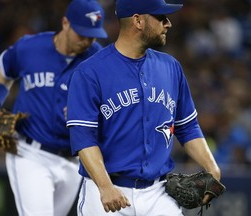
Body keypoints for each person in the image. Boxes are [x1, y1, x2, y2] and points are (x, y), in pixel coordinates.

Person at [66, 0, 222, 215]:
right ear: (138, 20)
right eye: (161, 17)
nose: (168, 23)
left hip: (158, 192)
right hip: (106, 189)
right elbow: (83, 137)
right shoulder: (90, 72)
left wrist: (212, 167)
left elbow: (188, 126)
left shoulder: (171, 67)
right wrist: (105, 186)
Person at [0, 0, 107, 215]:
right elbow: (2, 73)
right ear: (65, 23)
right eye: (82, 33)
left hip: (74, 160)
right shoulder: (29, 48)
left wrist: (91, 111)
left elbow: (109, 102)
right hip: (31, 153)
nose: (87, 41)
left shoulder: (97, 57)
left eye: (93, 35)